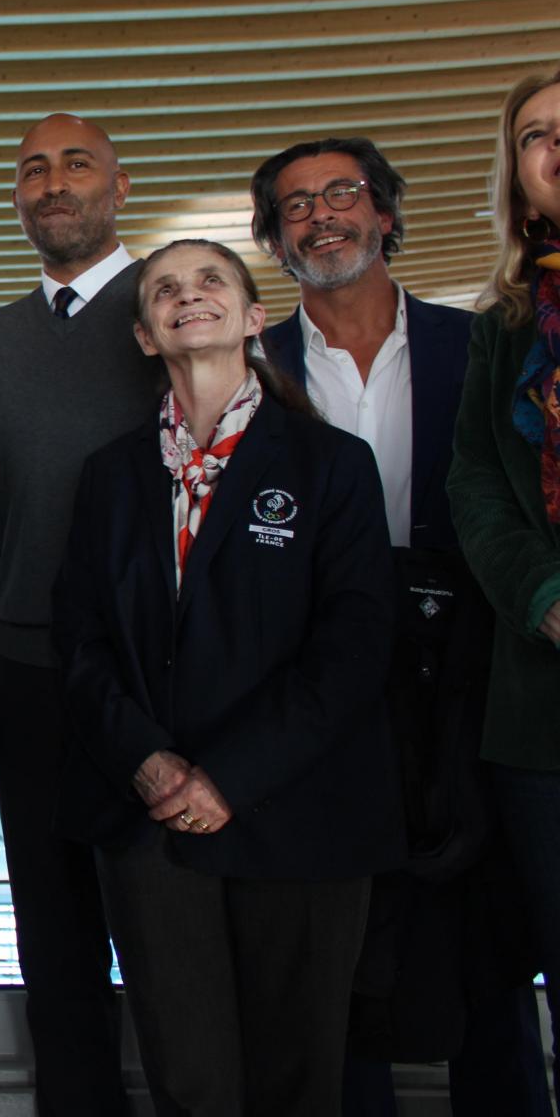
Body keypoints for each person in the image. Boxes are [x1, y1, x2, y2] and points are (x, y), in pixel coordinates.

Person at [54, 238, 403, 1114]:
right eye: (165, 288)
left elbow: (356, 645)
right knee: (190, 1083)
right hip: (154, 822)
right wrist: (150, 763)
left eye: (212, 280)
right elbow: (81, 637)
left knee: (298, 1083)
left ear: (254, 318)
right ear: (144, 336)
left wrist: (230, 777)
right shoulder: (110, 477)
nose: (188, 295)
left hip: (299, 818)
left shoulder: (332, 467)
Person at [251, 138, 550, 1113]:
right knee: (342, 940)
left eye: (343, 192)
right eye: (296, 204)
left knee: (487, 930)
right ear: (274, 236)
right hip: (324, 680)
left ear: (385, 212)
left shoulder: (479, 340)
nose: (322, 214)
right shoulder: (253, 370)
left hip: (470, 664)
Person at [0, 113, 153, 1112]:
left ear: (118, 184)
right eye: (34, 168)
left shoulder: (168, 302)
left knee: (169, 931)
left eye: (76, 162)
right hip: (32, 671)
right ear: (16, 199)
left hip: (153, 669)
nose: (54, 182)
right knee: (54, 933)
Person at [448, 62, 560, 1099]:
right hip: (541, 700)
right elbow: (477, 486)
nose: (556, 146)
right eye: (535, 134)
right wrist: (544, 596)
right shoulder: (501, 329)